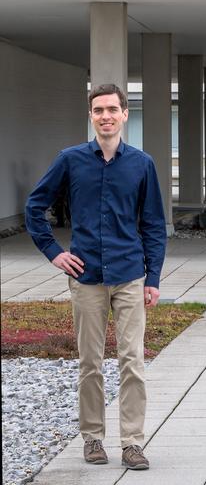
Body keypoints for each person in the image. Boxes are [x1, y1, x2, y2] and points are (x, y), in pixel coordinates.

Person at [25, 84, 166, 469]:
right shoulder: (69, 160)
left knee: (132, 360)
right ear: (91, 115)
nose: (105, 116)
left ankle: (133, 443)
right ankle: (92, 438)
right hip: (86, 276)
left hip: (129, 274)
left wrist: (153, 277)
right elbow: (34, 207)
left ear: (124, 115)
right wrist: (54, 253)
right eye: (98, 110)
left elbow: (154, 223)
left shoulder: (141, 164)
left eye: (112, 109)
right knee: (90, 362)